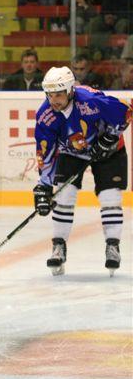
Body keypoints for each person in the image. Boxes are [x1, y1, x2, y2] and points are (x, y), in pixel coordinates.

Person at [33, 66, 130, 277]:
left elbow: (126, 111)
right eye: (50, 95)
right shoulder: (46, 116)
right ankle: (58, 246)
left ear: (70, 91)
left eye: (59, 94)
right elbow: (46, 152)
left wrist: (110, 137)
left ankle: (113, 246)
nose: (54, 100)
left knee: (110, 197)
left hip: (109, 152)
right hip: (72, 153)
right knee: (64, 195)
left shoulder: (91, 100)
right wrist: (44, 185)